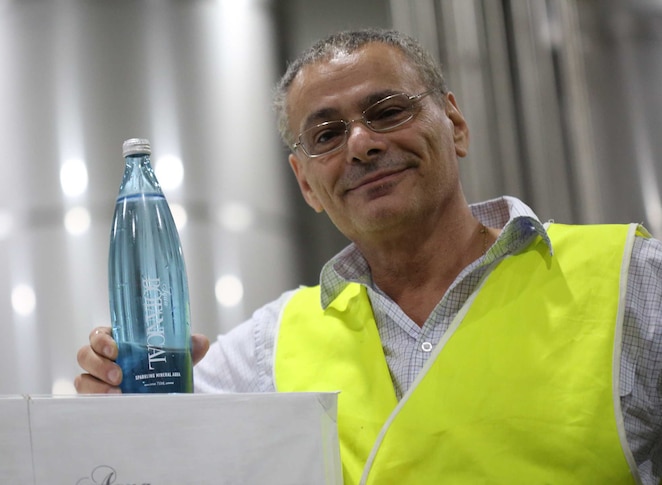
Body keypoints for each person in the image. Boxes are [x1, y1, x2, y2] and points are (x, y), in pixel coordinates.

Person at [75, 28, 661, 484]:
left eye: (386, 112)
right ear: (306, 183)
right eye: (327, 135)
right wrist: (115, 386)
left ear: (455, 124)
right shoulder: (265, 350)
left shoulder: (632, 281)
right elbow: (142, 444)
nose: (361, 143)